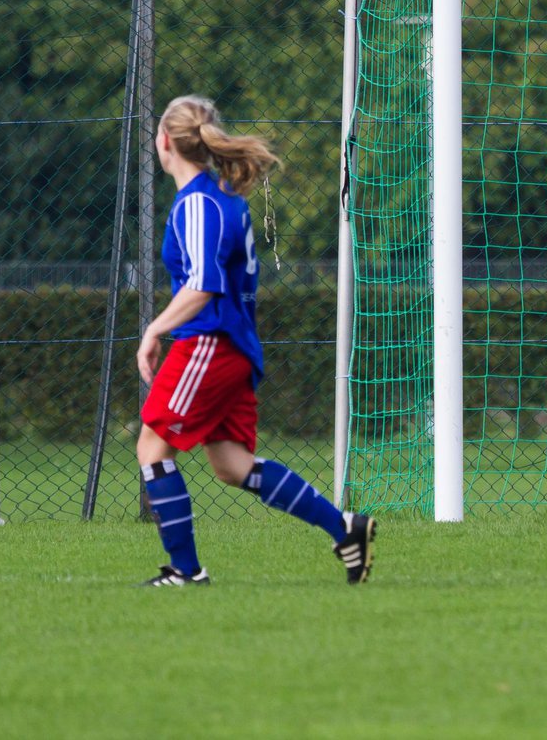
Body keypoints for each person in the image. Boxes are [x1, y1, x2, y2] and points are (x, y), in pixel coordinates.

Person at [135, 95, 376, 587]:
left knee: (152, 449)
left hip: (208, 342)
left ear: (164, 142)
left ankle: (185, 571)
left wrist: (155, 328)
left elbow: (203, 284)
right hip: (233, 345)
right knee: (231, 464)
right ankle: (345, 528)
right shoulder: (222, 196)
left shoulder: (199, 202)